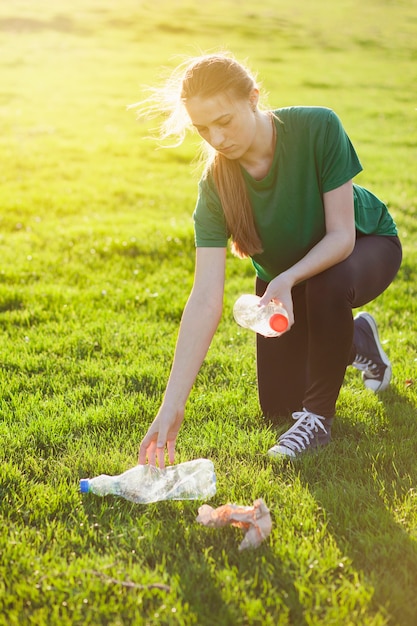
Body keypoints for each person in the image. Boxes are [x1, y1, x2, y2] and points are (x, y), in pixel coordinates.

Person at [136, 52, 402, 466]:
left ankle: (318, 419)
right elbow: (205, 297)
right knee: (278, 406)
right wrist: (171, 404)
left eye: (224, 121)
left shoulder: (317, 126)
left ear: (253, 98)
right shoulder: (215, 188)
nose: (218, 139)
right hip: (286, 281)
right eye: (203, 129)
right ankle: (356, 340)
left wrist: (286, 280)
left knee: (325, 285)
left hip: (364, 247)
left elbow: (341, 236)